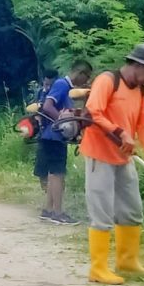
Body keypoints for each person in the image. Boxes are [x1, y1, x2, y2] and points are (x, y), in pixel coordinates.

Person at [80, 43, 144, 284]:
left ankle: (127, 262)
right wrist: (120, 132)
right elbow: (93, 112)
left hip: (124, 157)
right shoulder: (107, 81)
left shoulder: (141, 91)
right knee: (102, 212)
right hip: (100, 154)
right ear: (138, 65)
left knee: (132, 210)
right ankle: (98, 269)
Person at [38, 60, 93, 225]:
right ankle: (58, 213)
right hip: (54, 136)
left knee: (53, 174)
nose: (86, 81)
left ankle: (48, 210)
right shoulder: (62, 84)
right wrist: (63, 125)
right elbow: (48, 107)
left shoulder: (66, 88)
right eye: (86, 77)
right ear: (80, 73)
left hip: (52, 137)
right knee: (58, 175)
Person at [29, 69, 57, 200]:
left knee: (55, 169)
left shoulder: (58, 93)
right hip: (42, 132)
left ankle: (54, 195)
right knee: (41, 165)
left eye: (49, 85)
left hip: (54, 133)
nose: (46, 87)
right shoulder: (41, 92)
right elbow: (35, 109)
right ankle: (46, 193)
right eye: (45, 84)